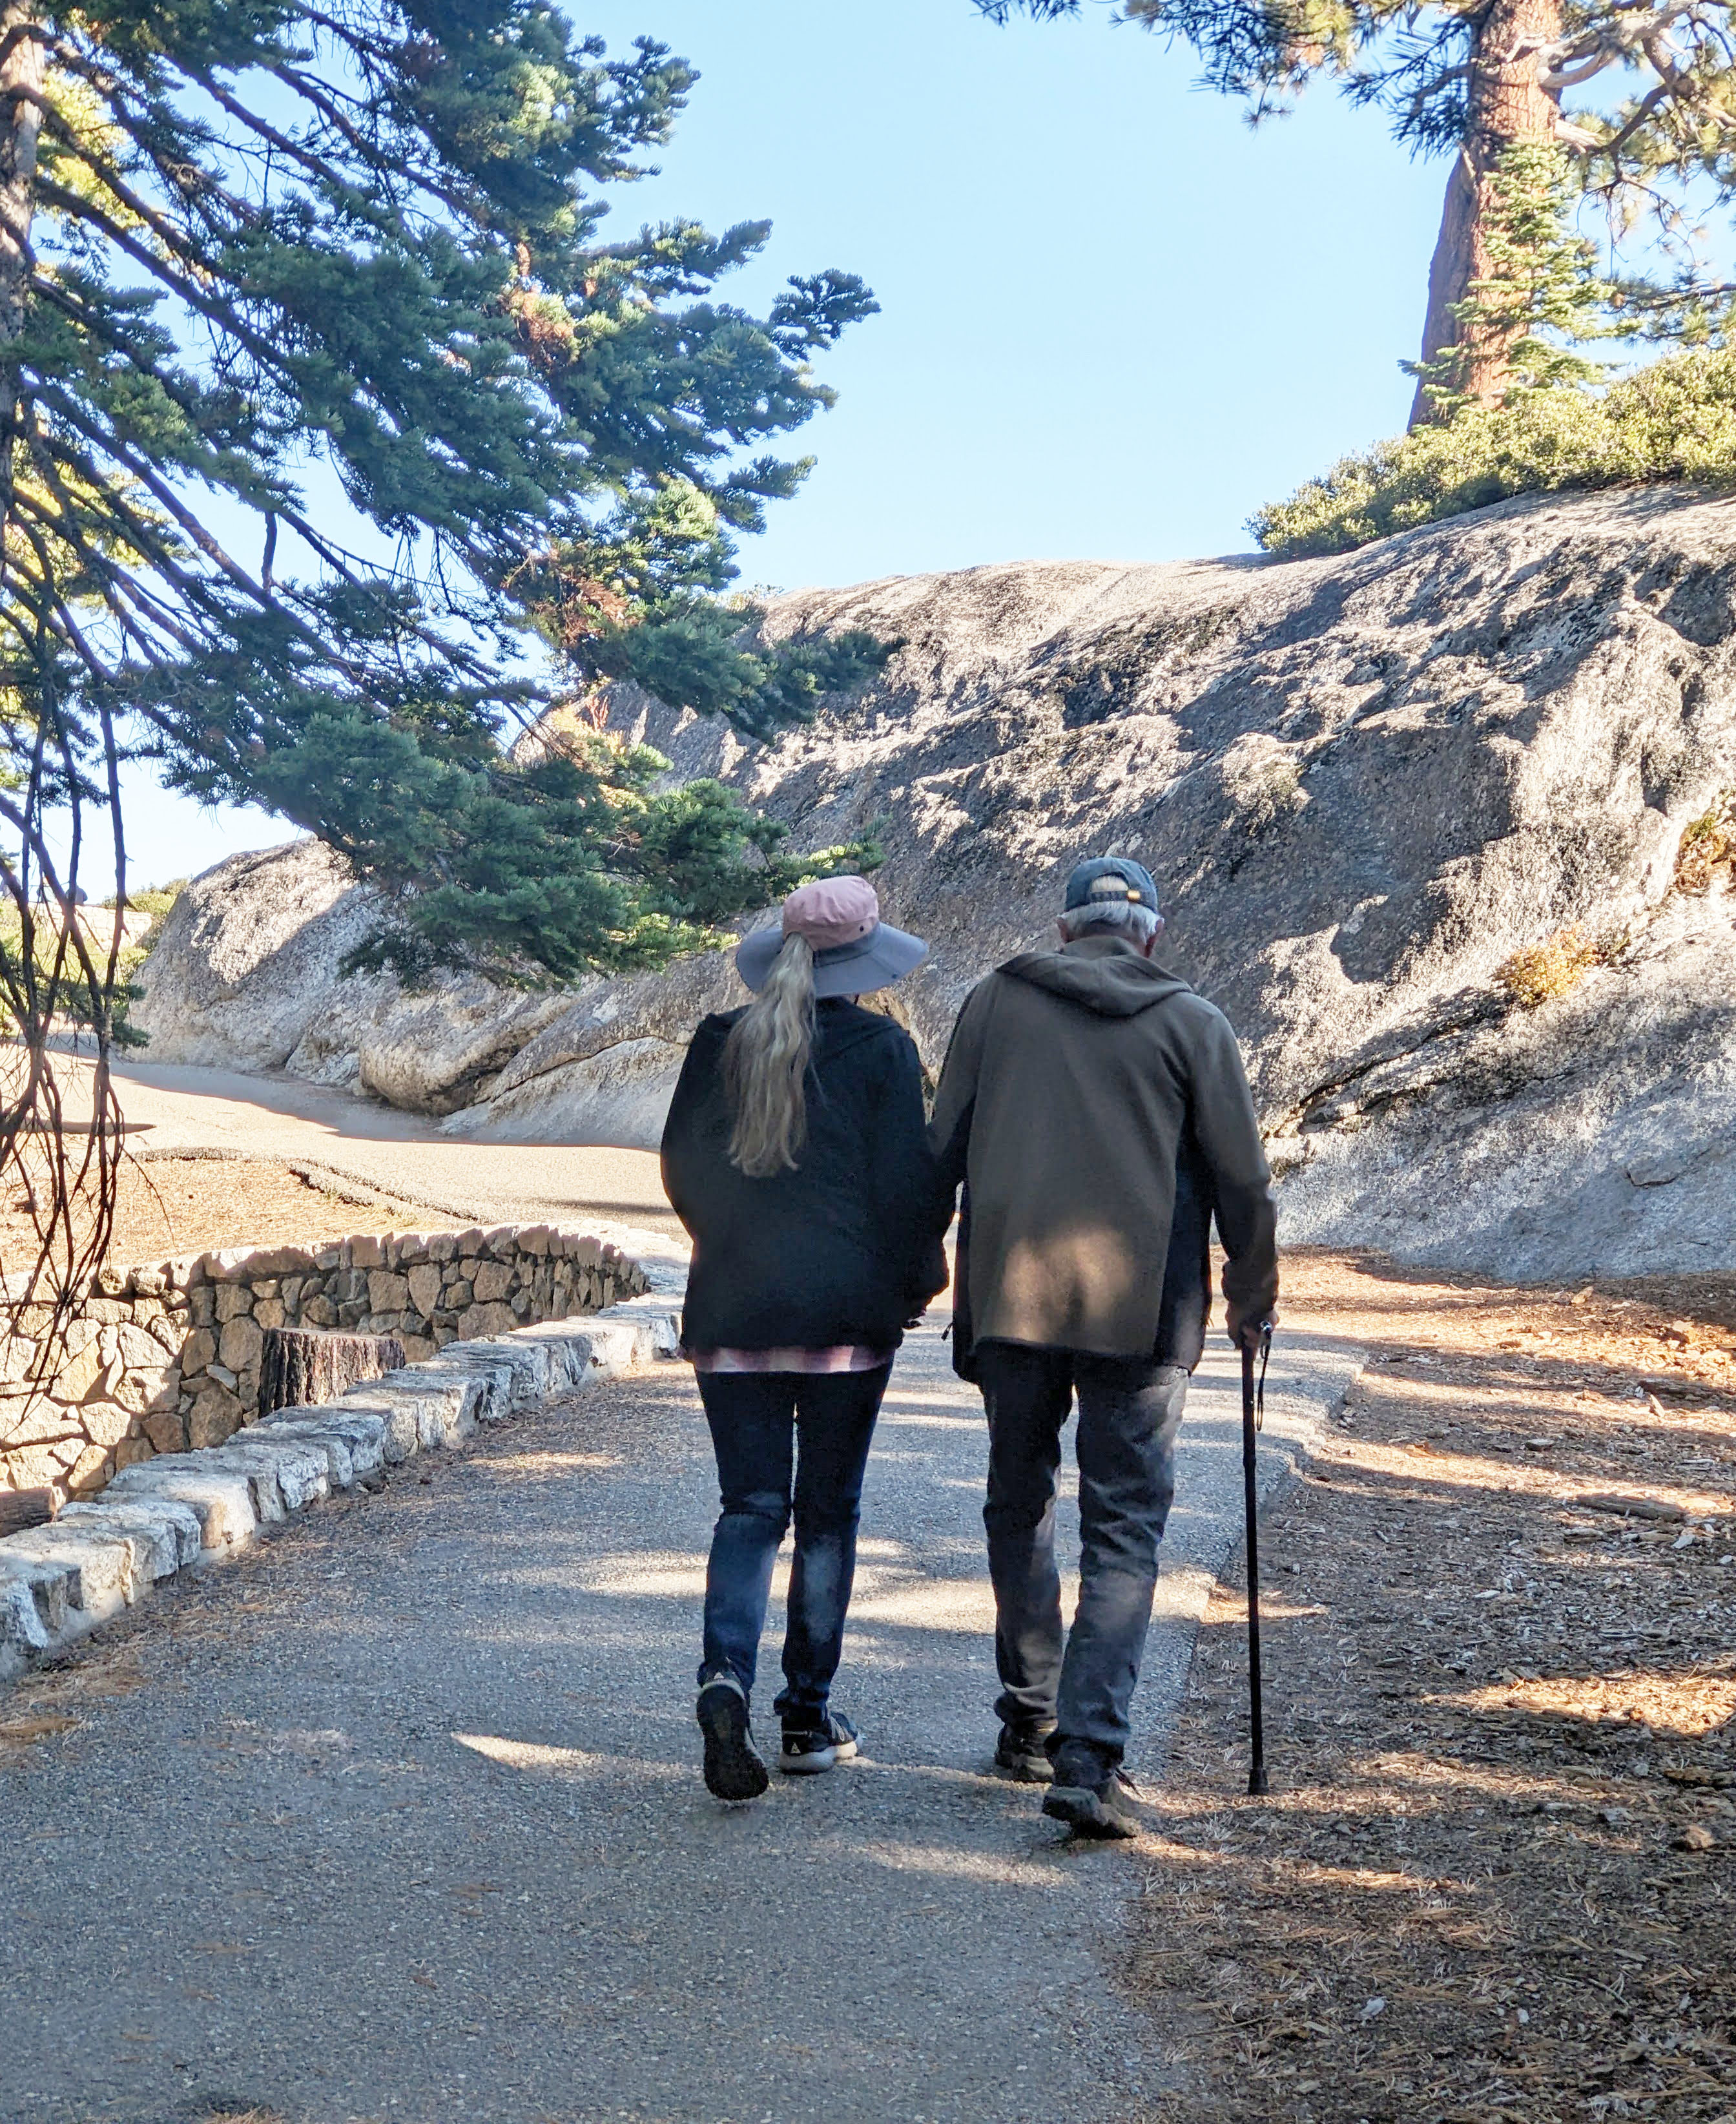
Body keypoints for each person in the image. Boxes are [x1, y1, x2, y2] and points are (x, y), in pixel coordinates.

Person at [929, 856, 1278, 1838]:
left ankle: (1031, 1717)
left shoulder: (995, 1005)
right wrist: (1254, 1298)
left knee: (1019, 1502)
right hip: (1145, 1314)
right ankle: (1088, 1756)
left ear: (1066, 929)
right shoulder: (1193, 1022)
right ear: (1152, 934)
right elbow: (1244, 1184)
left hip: (1011, 1305)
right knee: (1123, 1526)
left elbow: (940, 1149)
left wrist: (919, 1272)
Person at [662, 875, 947, 1803]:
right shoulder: (882, 1049)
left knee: (749, 1508)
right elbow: (909, 1192)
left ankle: (725, 1679)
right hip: (844, 1322)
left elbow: (682, 1170)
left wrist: (732, 1250)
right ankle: (805, 1717)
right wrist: (914, 1284)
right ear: (864, 961)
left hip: (733, 1311)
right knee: (827, 1516)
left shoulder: (717, 1044)